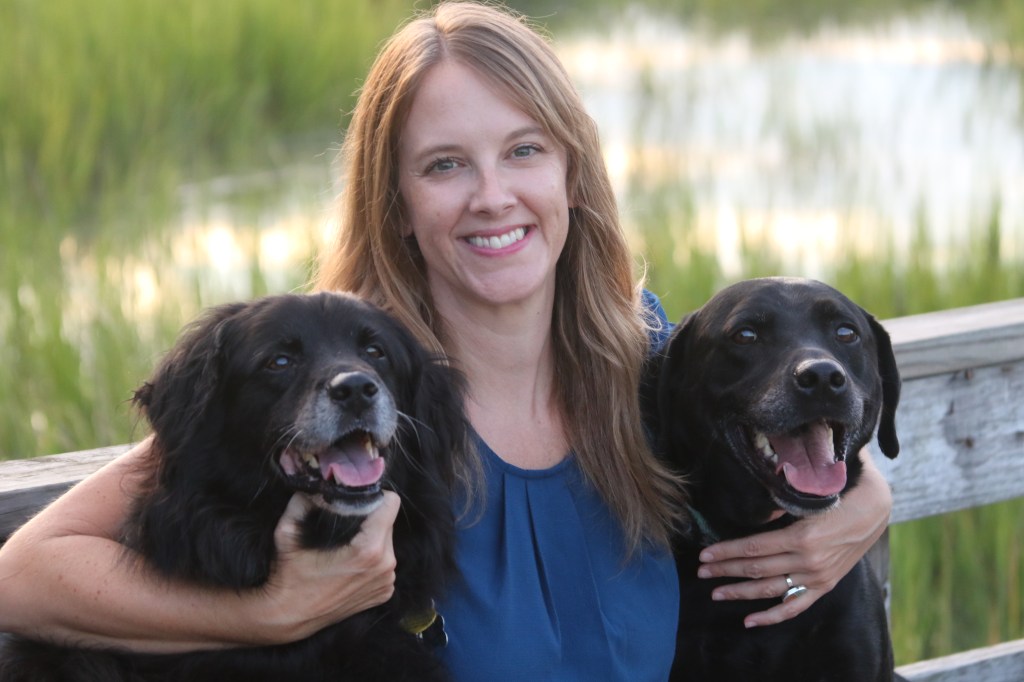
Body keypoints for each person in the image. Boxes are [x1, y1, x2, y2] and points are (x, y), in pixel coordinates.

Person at [0, 1, 893, 678]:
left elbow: (796, 426)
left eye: (524, 151)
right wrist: (269, 612)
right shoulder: (336, 394)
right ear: (395, 200)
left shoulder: (642, 362)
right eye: (445, 165)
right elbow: (22, 575)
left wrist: (859, 506)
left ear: (573, 174)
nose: (492, 196)